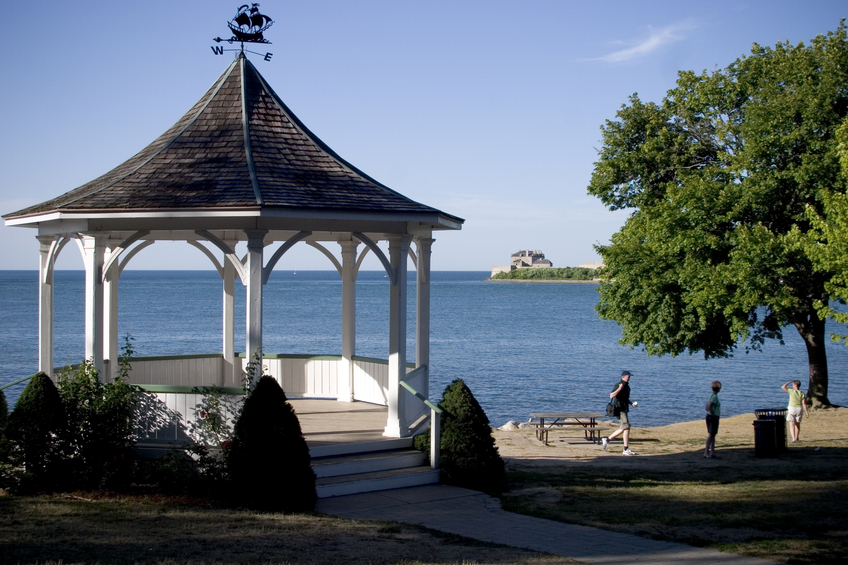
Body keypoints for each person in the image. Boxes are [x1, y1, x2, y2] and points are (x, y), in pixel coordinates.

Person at [602, 370, 637, 455]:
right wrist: (619, 389)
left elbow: (625, 398)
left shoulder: (627, 387)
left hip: (624, 409)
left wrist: (632, 403)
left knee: (625, 428)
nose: (629, 378)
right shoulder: (618, 385)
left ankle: (609, 440)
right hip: (619, 409)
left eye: (630, 377)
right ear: (623, 377)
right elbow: (611, 395)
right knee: (626, 427)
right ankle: (624, 448)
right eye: (628, 376)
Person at [704, 381, 721, 458]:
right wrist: (714, 415)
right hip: (712, 417)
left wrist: (709, 412)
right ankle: (706, 452)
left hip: (709, 416)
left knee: (713, 434)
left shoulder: (711, 396)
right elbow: (710, 406)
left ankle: (712, 452)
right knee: (711, 435)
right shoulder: (714, 397)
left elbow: (706, 407)